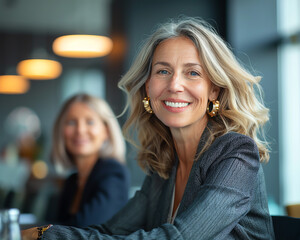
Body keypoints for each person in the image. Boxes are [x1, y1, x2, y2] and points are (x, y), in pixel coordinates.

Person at [22, 16, 275, 239]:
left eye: (193, 73)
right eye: (163, 71)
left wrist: (48, 234)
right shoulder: (164, 167)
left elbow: (177, 238)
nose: (175, 85)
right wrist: (41, 232)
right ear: (147, 88)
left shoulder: (237, 153)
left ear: (214, 90)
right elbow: (108, 232)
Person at [49, 93, 129, 227]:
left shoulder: (114, 173)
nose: (80, 130)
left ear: (106, 131)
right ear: (61, 131)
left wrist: (36, 233)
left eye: (90, 122)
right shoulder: (71, 182)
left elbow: (86, 232)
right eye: (71, 122)